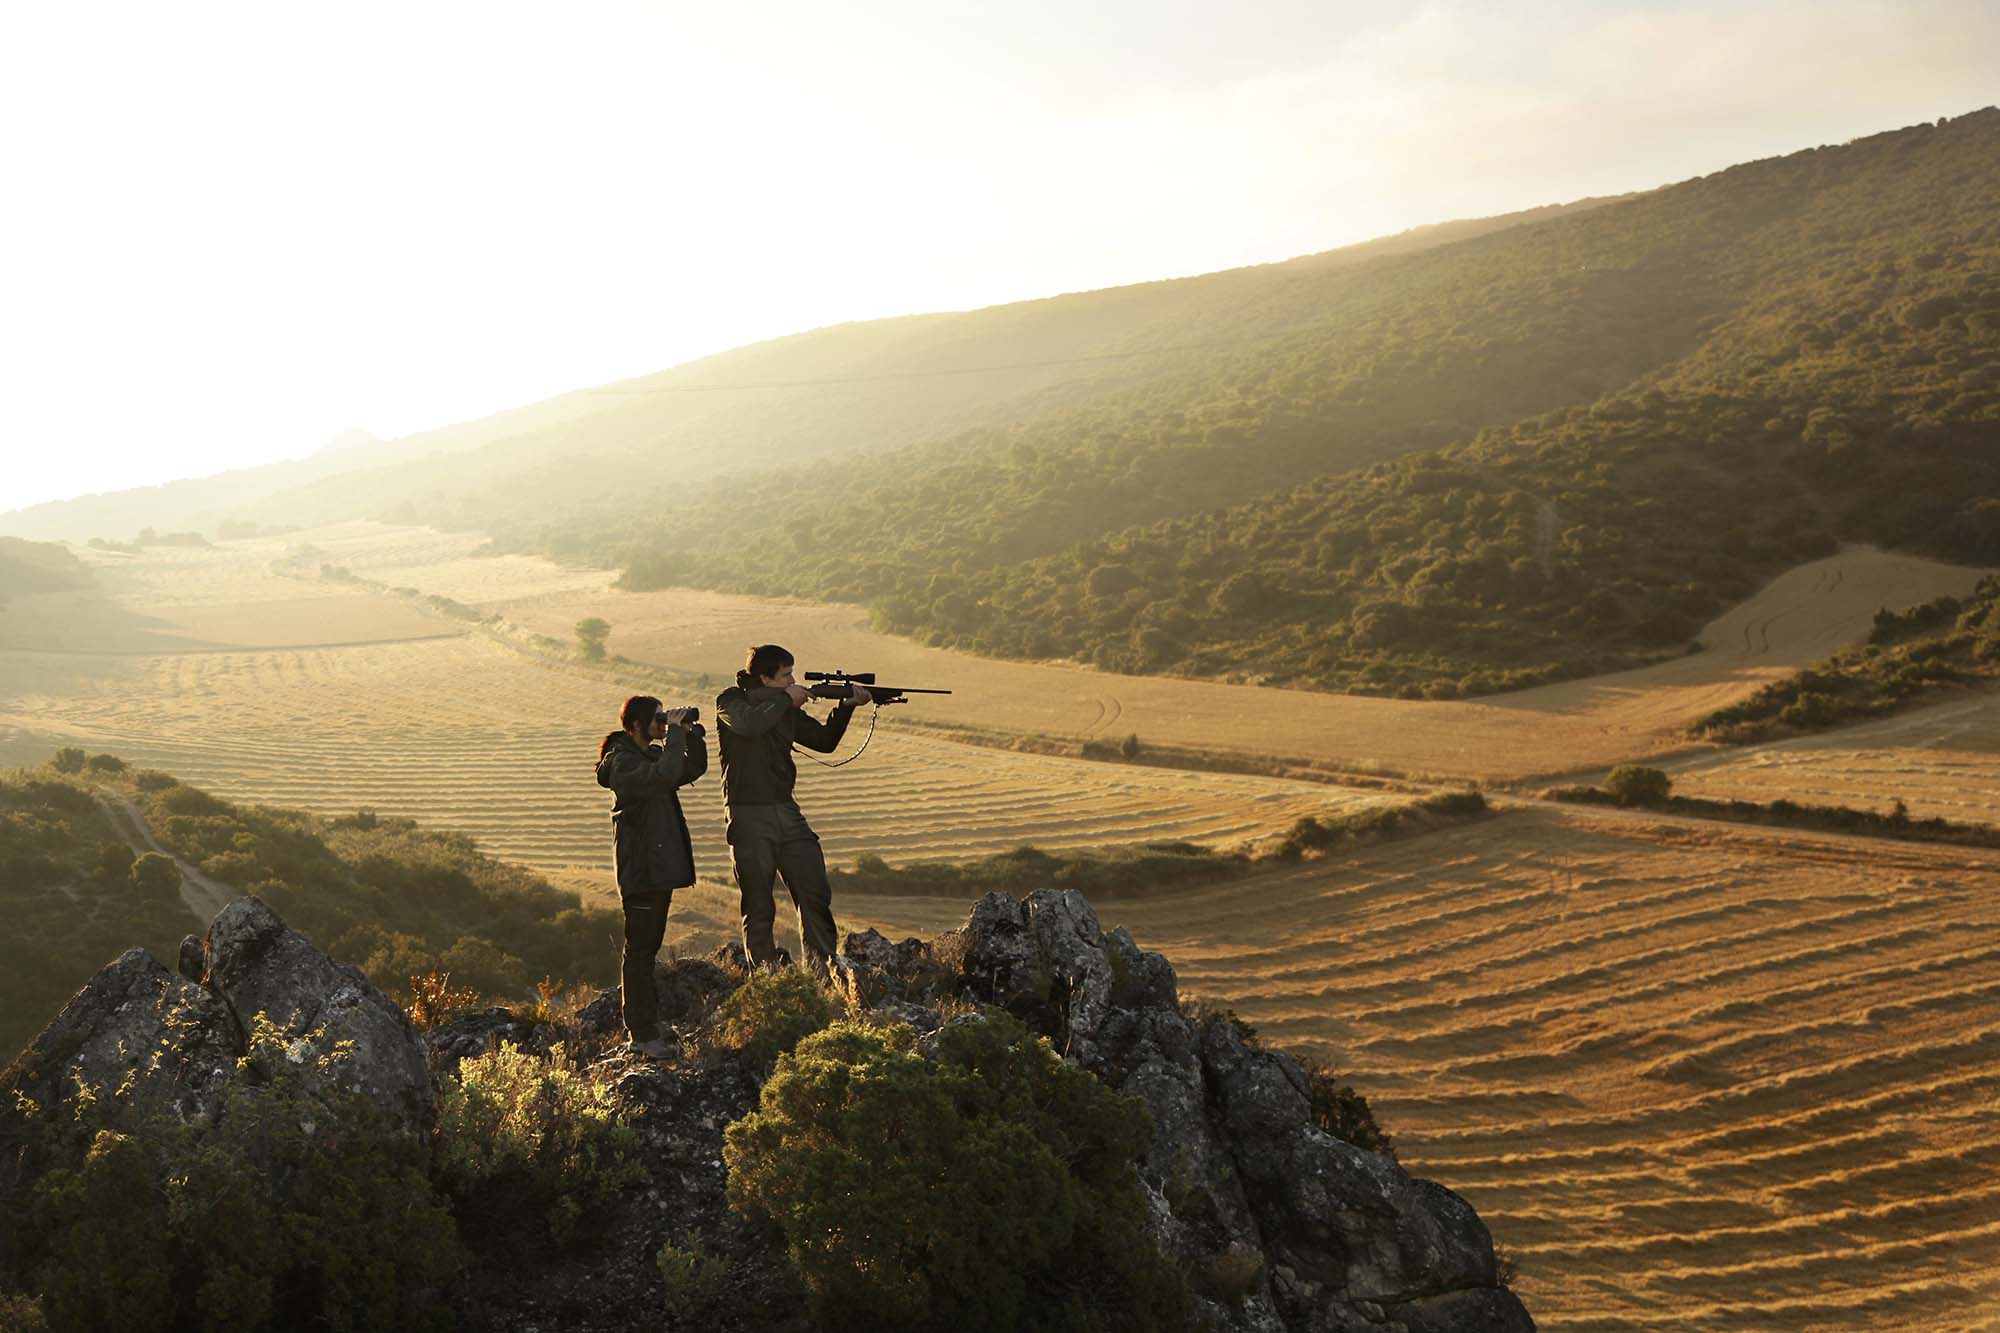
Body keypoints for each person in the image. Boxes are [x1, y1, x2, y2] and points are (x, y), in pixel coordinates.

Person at [715, 644, 869, 970]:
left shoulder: (782, 706)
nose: (792, 680)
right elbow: (750, 725)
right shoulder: (730, 701)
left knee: (814, 892)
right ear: (764, 677)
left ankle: (822, 976)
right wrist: (786, 700)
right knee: (758, 905)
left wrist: (846, 706)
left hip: (786, 810)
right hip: (748, 813)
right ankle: (769, 982)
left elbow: (824, 742)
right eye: (785, 675)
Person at [596, 694, 707, 1057]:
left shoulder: (648, 755)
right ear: (637, 726)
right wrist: (674, 735)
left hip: (655, 870)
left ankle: (649, 1027)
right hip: (642, 871)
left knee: (647, 949)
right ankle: (641, 1035)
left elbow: (687, 770)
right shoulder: (623, 763)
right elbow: (663, 777)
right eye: (657, 719)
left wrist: (688, 735)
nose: (662, 723)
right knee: (640, 952)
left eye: (665, 717)